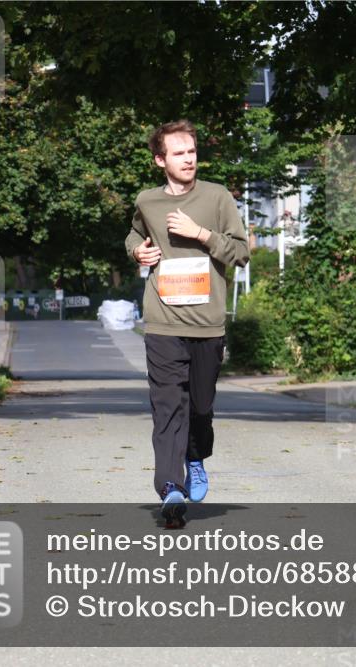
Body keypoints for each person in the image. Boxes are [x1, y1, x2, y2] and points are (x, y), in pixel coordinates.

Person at [125, 119, 250, 527]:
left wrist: (201, 235)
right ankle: (170, 488)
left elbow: (241, 253)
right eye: (179, 153)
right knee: (166, 408)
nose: (188, 159)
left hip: (207, 324)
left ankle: (195, 457)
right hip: (162, 321)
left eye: (192, 151)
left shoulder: (217, 198)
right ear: (160, 160)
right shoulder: (147, 201)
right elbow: (134, 235)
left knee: (200, 407)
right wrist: (137, 253)